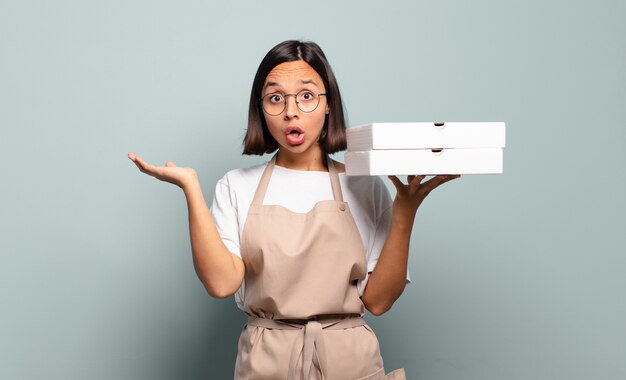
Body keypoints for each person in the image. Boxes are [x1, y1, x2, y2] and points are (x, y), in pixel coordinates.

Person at [128, 40, 459, 380]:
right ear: (261, 109)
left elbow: (378, 301)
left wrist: (404, 211)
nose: (290, 111)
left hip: (349, 361)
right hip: (267, 361)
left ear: (328, 104)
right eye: (275, 98)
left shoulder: (362, 184)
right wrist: (191, 188)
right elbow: (221, 283)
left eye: (306, 95)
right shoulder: (237, 186)